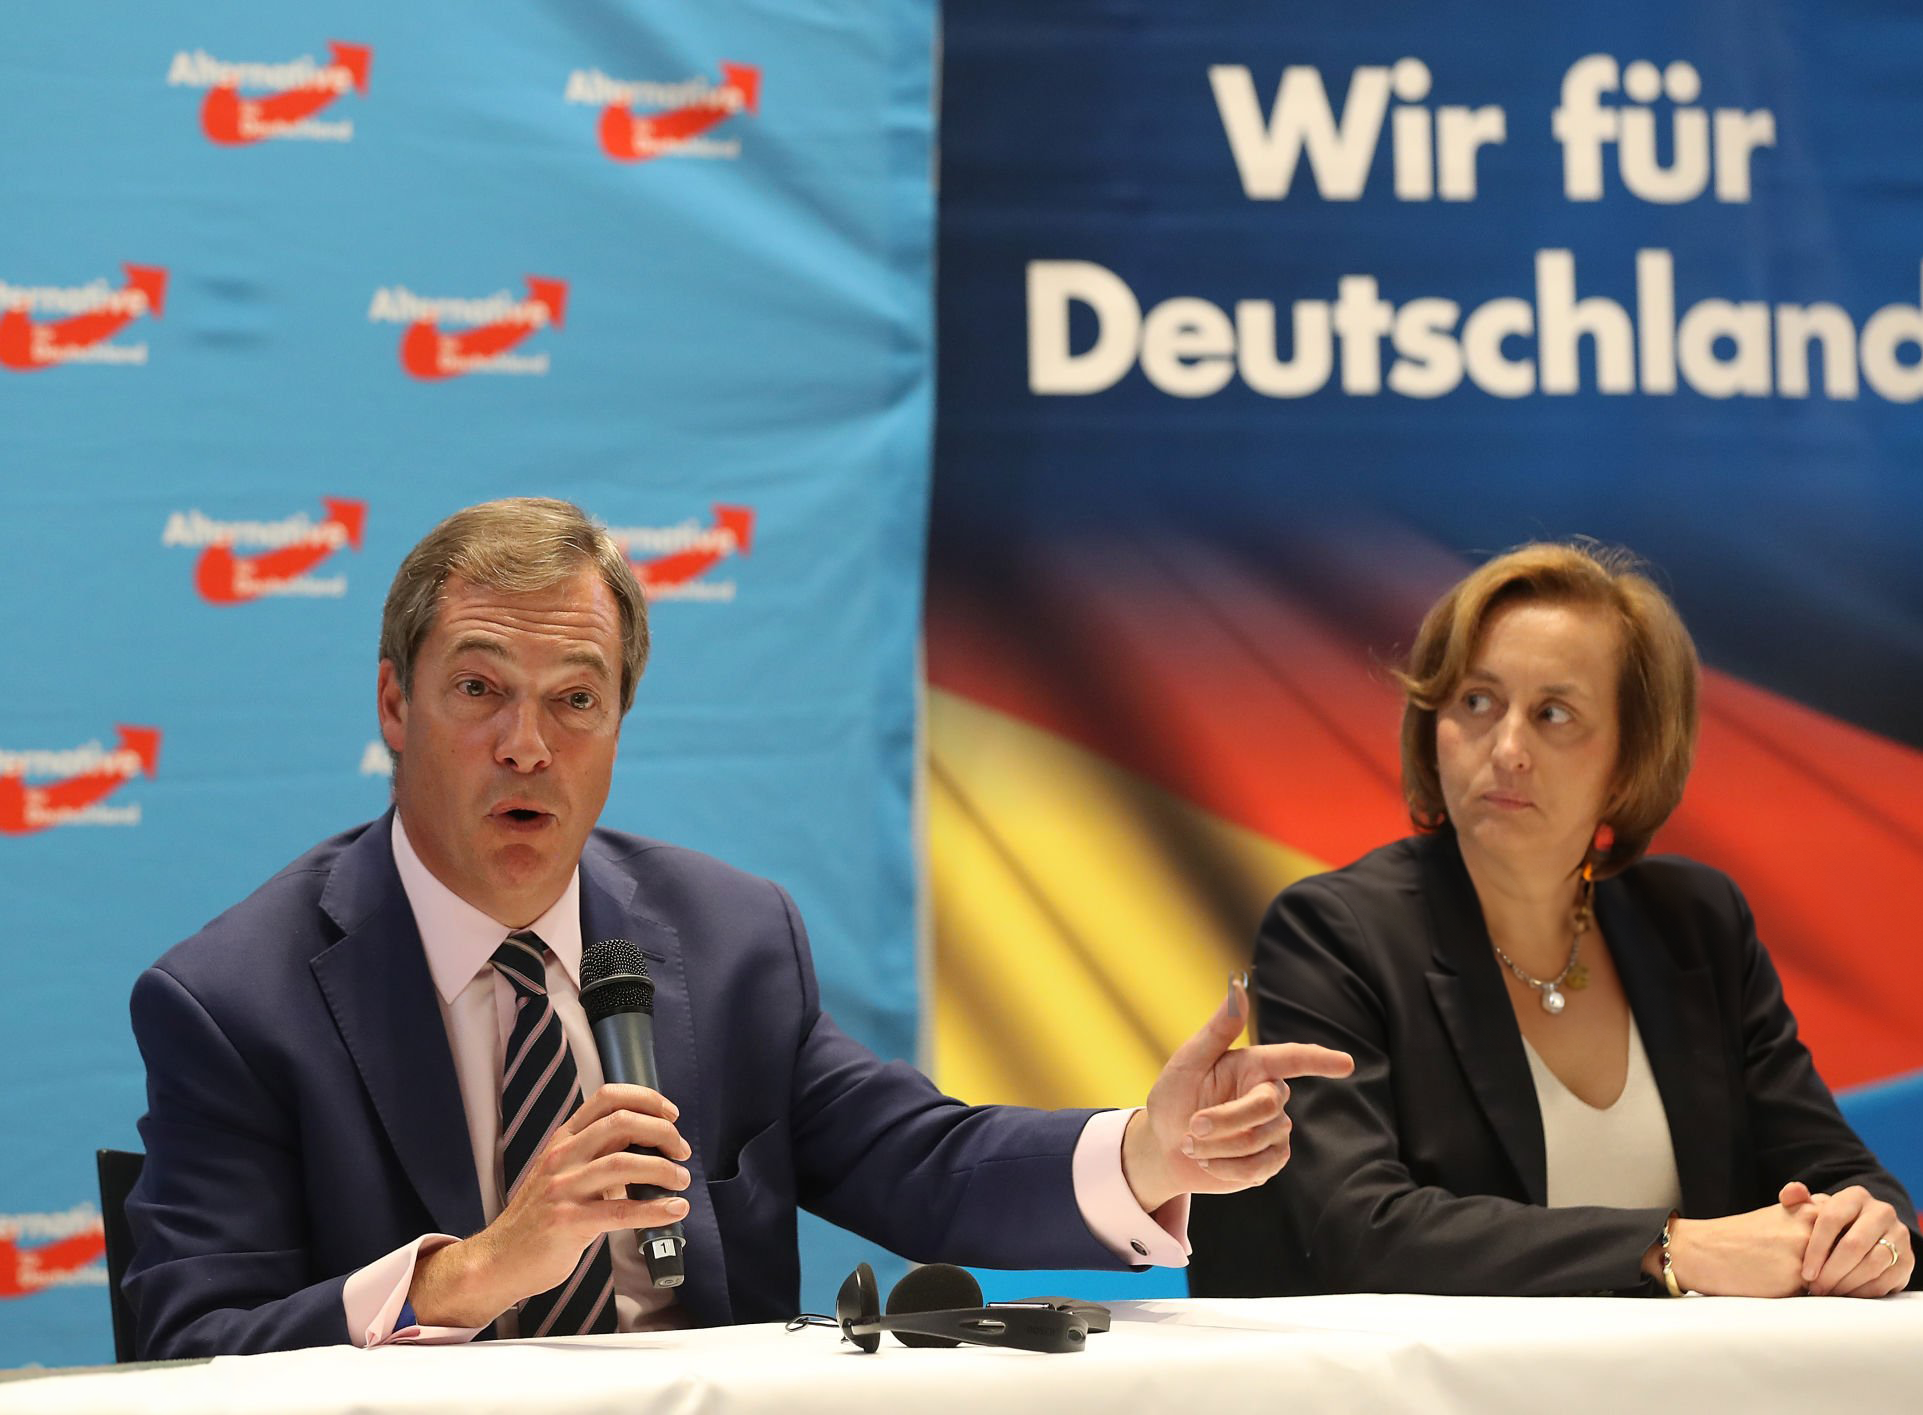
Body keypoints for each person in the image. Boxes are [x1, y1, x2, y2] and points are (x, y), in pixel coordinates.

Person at [125, 498, 1352, 1358]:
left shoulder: (725, 939)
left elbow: (921, 1162)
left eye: (575, 699)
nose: (527, 744)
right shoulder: (237, 1000)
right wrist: (472, 1271)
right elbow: (190, 1345)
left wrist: (1146, 1150)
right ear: (395, 704)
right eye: (480, 689)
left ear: (619, 722)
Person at [1245, 541, 1923, 1298]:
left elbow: (1841, 1173)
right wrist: (1668, 1249)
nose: (1508, 748)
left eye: (1554, 714)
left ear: (1630, 760)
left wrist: (1868, 1231)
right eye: (1477, 701)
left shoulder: (1697, 924)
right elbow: (1355, 1229)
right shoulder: (1332, 935)